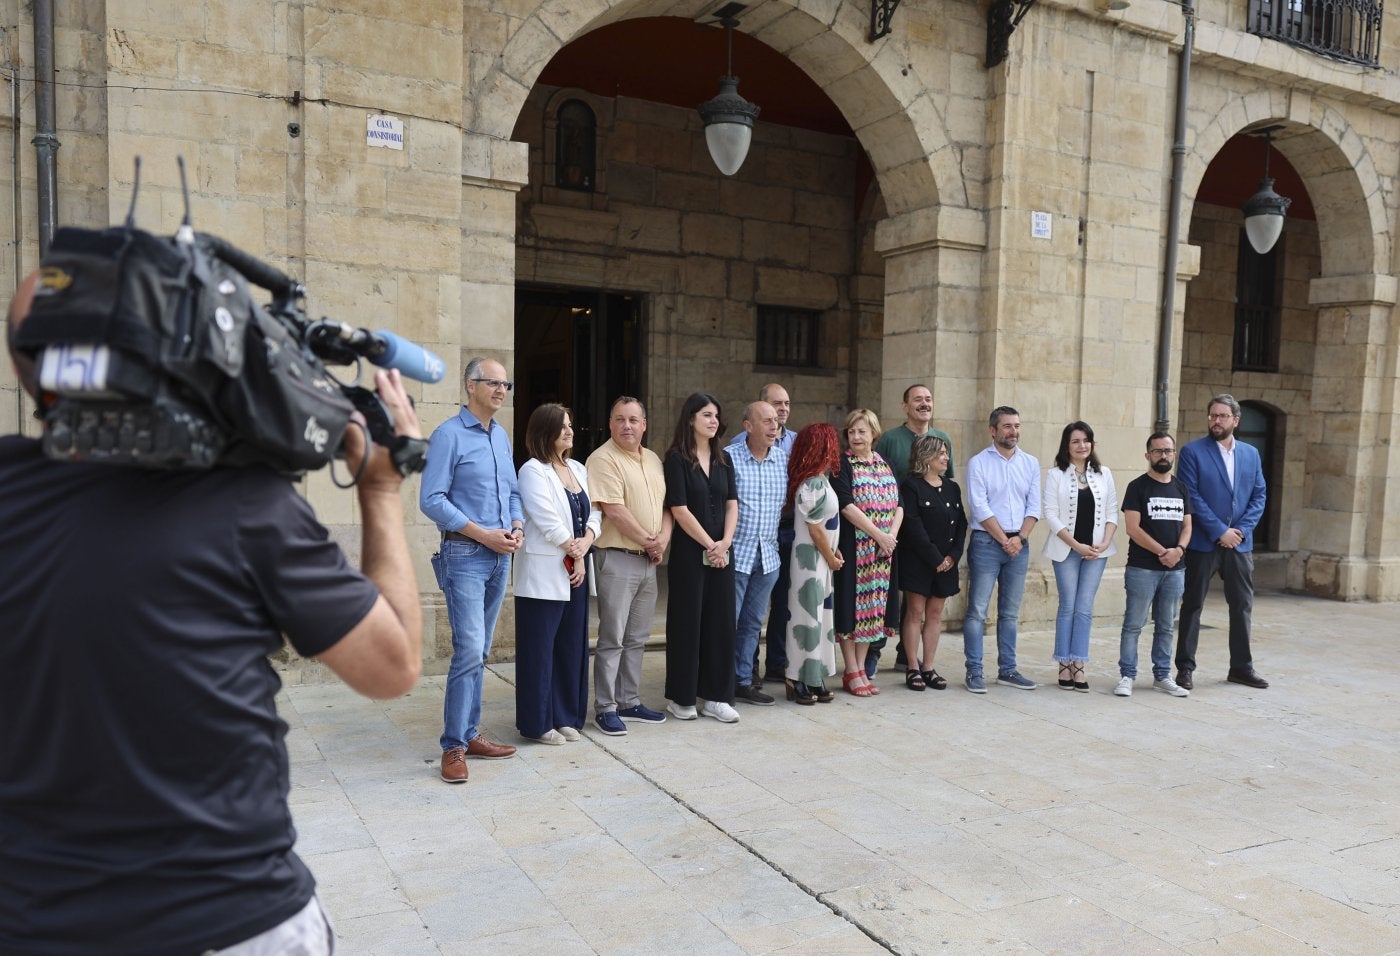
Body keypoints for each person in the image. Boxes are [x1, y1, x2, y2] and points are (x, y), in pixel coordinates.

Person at [0, 273, 422, 954]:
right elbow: (393, 665)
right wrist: (381, 485)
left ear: (32, 370)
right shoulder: (246, 503)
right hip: (230, 921)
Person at [421, 357, 523, 782]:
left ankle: (470, 732)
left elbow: (514, 492)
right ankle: (453, 747)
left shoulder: (500, 437)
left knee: (479, 652)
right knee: (468, 650)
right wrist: (484, 534)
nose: (501, 389)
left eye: (506, 383)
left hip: (501, 555)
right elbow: (432, 500)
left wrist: (516, 525)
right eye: (492, 382)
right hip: (464, 555)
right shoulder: (448, 435)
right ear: (470, 386)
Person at [514, 403, 602, 744]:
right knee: (540, 650)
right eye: (562, 426)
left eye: (570, 424)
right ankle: (538, 723)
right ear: (544, 432)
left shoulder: (579, 468)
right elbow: (546, 517)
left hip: (575, 571)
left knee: (571, 647)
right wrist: (573, 547)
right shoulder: (532, 471)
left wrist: (585, 544)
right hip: (543, 575)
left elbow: (594, 513)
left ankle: (566, 716)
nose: (570, 431)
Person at [586, 396, 673, 736]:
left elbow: (668, 505)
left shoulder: (652, 459)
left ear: (644, 425)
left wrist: (662, 540)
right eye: (620, 419)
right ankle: (605, 707)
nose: (627, 426)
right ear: (610, 424)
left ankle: (629, 700)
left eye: (633, 420)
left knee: (637, 636)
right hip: (618, 558)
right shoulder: (602, 459)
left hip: (647, 561)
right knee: (612, 637)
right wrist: (651, 542)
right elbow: (613, 509)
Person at [1174, 394, 1269, 690]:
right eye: (1212, 416)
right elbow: (1191, 495)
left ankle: (1241, 668)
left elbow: (1259, 495)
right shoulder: (1192, 452)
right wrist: (1219, 531)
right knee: (1192, 606)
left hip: (1239, 544)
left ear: (1235, 421)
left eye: (1222, 416)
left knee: (1242, 606)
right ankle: (1185, 668)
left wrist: (1239, 531)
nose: (1216, 421)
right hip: (1204, 542)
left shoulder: (1251, 454)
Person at [663, 392, 740, 722]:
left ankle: (716, 697)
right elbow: (679, 509)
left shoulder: (725, 459)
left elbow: (732, 503)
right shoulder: (676, 458)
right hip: (689, 555)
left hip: (722, 553)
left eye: (716, 415)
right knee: (687, 623)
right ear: (691, 419)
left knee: (720, 624)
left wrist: (725, 543)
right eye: (707, 415)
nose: (713, 421)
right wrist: (711, 544)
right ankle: (681, 698)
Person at [871, 383, 955, 677]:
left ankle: (908, 660)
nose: (924, 403)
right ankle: (874, 651)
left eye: (928, 399)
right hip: (892, 531)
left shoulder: (942, 438)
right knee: (887, 594)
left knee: (920, 604)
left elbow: (949, 487)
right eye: (917, 399)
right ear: (904, 406)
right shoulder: (890, 439)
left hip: (930, 535)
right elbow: (874, 472)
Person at [962, 405, 1041, 693]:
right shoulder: (979, 463)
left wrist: (1019, 538)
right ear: (993, 430)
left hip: (1019, 544)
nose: (1014, 432)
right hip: (986, 542)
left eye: (1017, 426)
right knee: (977, 611)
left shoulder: (1030, 463)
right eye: (1008, 426)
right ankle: (974, 672)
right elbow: (979, 506)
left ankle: (1008, 670)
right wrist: (1004, 540)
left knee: (1009, 612)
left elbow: (1034, 506)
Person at [726, 383, 796, 686]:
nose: (775, 425)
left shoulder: (783, 460)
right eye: (767, 420)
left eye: (777, 421)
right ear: (748, 426)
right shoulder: (729, 457)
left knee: (753, 623)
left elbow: (789, 503)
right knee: (728, 622)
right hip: (736, 553)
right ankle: (720, 680)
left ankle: (743, 680)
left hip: (768, 555)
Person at [1114, 432, 1193, 698]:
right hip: (1143, 568)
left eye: (1167, 451)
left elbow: (1188, 525)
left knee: (1166, 625)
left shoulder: (1181, 487)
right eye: (1157, 451)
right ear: (1148, 455)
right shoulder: (1137, 487)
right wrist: (1163, 552)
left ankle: (1162, 676)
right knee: (1134, 624)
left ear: (1174, 454)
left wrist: (1179, 551)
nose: (1163, 455)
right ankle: (1127, 675)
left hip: (1175, 571)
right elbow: (1132, 529)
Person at [1042, 421, 1119, 693]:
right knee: (1069, 606)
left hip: (1097, 552)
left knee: (1085, 608)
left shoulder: (1104, 473)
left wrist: (1104, 543)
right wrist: (1076, 545)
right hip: (1067, 550)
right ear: (1067, 446)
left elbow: (1112, 512)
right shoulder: (1056, 475)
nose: (1082, 445)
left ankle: (1079, 664)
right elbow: (1050, 514)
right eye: (1076, 441)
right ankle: (1063, 663)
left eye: (1086, 440)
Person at [832, 408, 903, 697]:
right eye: (851, 431)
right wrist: (878, 535)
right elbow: (846, 506)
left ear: (874, 433)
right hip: (856, 550)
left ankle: (861, 668)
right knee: (852, 610)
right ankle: (851, 670)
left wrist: (891, 539)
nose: (856, 436)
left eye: (862, 431)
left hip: (882, 554)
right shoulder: (842, 465)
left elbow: (899, 505)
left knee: (872, 611)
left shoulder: (884, 464)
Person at [896, 434, 967, 691]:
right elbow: (912, 526)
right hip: (920, 562)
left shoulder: (952, 487)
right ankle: (912, 667)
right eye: (941, 453)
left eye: (946, 453)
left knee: (935, 614)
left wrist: (952, 557)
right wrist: (935, 558)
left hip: (946, 564)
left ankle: (928, 666)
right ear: (926, 456)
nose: (946, 458)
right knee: (915, 613)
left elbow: (961, 524)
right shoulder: (911, 487)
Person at [782, 423, 844, 703]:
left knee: (820, 618)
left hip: (822, 559)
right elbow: (815, 527)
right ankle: (796, 677)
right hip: (810, 559)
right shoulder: (812, 483)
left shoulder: (822, 479)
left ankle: (814, 674)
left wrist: (835, 551)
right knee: (806, 616)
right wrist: (831, 556)